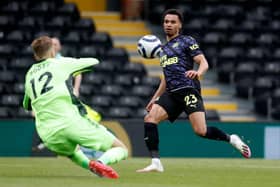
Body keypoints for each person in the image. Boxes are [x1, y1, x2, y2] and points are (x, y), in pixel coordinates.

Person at [136, 9, 251, 173]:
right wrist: (155, 98)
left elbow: (203, 62)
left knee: (201, 131)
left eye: (173, 22)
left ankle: (231, 138)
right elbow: (165, 77)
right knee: (150, 118)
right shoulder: (163, 51)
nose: (168, 24)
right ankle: (156, 162)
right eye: (166, 21)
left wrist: (198, 73)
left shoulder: (186, 41)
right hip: (172, 92)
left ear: (180, 25)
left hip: (188, 90)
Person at [23, 36, 128, 179]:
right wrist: (71, 67)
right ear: (53, 51)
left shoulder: (29, 74)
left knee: (72, 152)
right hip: (70, 123)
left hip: (47, 134)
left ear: (35, 55)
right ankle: (100, 162)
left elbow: (26, 104)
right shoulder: (61, 63)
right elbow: (93, 61)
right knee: (121, 148)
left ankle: (92, 167)